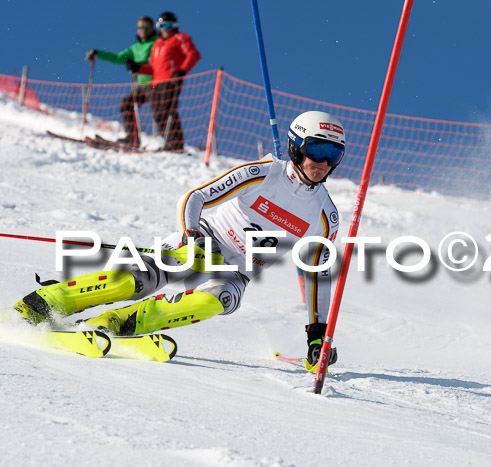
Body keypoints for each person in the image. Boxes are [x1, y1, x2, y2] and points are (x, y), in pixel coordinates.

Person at [13, 111, 344, 368]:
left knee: (214, 302)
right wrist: (192, 235)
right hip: (203, 245)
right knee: (136, 281)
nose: (323, 163)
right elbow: (195, 198)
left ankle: (112, 325)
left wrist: (317, 335)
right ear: (295, 146)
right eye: (316, 149)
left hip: (235, 273)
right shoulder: (262, 174)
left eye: (334, 155)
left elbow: (316, 276)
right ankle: (42, 303)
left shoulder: (324, 216)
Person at [127, 12, 200, 152]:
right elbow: (153, 68)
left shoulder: (180, 38)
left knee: (168, 111)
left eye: (167, 25)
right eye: (161, 25)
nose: (164, 28)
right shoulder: (157, 44)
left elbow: (193, 55)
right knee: (158, 114)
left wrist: (182, 71)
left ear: (174, 25)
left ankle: (176, 145)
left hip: (171, 80)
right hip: (155, 83)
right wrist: (139, 68)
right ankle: (169, 142)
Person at [85, 16, 158, 148]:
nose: (143, 31)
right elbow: (119, 58)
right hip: (142, 86)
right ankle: (133, 138)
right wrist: (98, 53)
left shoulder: (156, 43)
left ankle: (170, 142)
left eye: (146, 28)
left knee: (160, 112)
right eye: (140, 28)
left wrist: (138, 66)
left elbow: (158, 63)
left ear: (152, 28)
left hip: (156, 84)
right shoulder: (136, 47)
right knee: (126, 104)